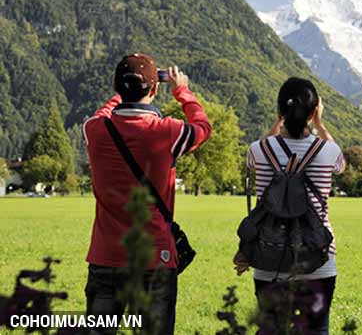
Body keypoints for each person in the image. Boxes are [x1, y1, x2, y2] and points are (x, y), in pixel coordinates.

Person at [82, 54, 212, 335]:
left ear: (117, 86)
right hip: (155, 258)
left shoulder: (95, 130)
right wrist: (182, 91)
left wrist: (120, 95)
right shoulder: (168, 131)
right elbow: (203, 127)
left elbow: (102, 114)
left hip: (105, 256)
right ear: (154, 90)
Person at [233, 77, 346, 335]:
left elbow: (255, 156)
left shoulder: (258, 149)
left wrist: (277, 122)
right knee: (316, 330)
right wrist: (320, 124)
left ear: (280, 111)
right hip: (318, 258)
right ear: (314, 109)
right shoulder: (329, 151)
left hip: (268, 257)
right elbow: (342, 166)